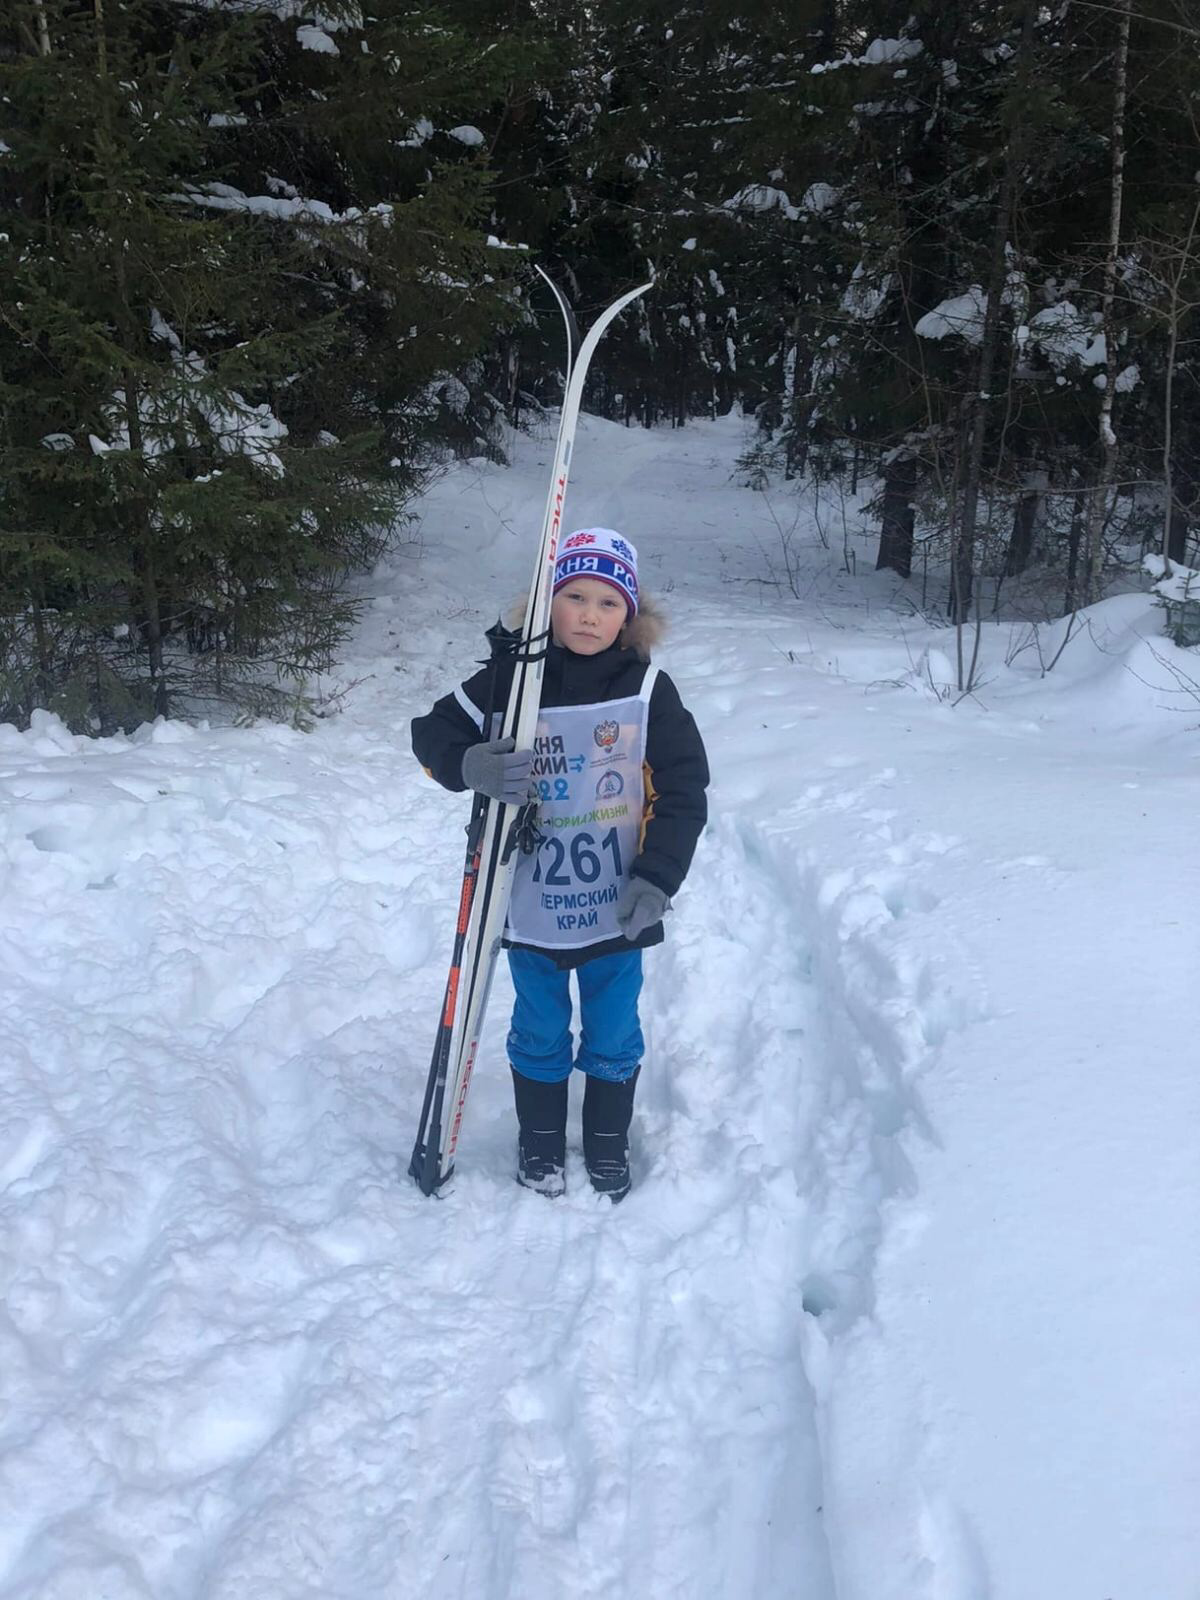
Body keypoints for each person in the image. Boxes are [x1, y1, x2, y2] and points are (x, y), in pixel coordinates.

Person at [411, 527, 708, 1201]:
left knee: (612, 1027)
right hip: (530, 901)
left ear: (629, 616)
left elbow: (684, 788)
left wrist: (657, 878)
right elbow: (430, 733)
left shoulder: (648, 690)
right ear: (548, 603)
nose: (589, 614)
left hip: (616, 901)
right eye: (573, 596)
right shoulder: (512, 680)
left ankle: (606, 1144)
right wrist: (466, 764)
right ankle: (539, 1144)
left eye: (607, 603)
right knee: (539, 1027)